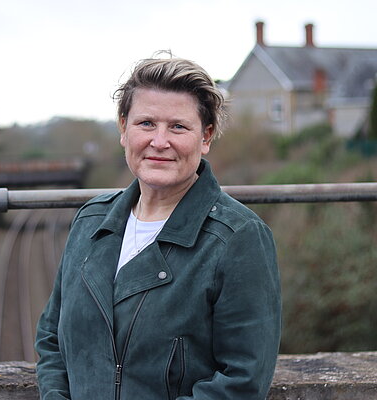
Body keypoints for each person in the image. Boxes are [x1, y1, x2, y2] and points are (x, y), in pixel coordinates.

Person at [35, 55, 281, 399]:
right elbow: (51, 337)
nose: (160, 141)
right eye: (146, 123)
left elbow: (242, 381)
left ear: (206, 136)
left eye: (178, 127)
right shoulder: (90, 221)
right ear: (124, 129)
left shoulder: (238, 238)